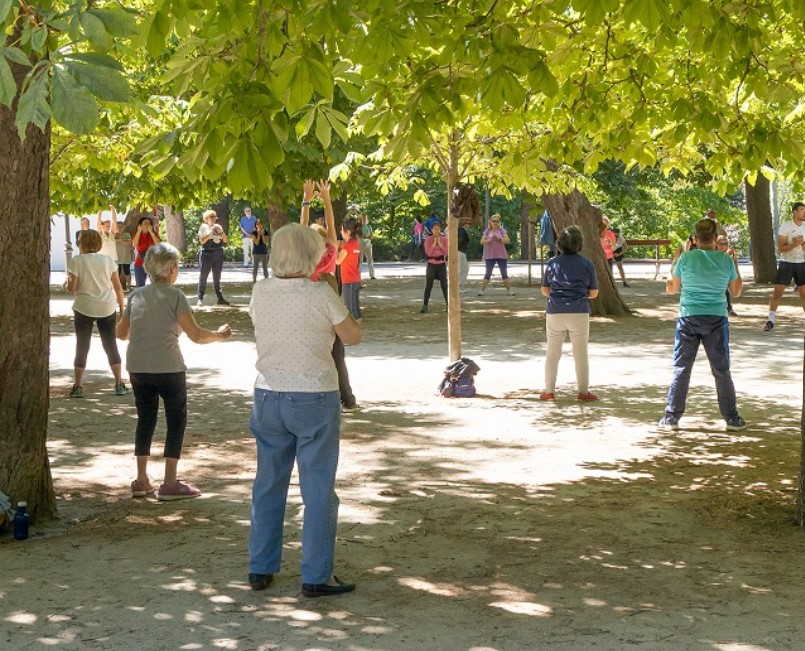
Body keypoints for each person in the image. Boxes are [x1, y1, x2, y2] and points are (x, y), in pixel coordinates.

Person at [247, 222, 362, 597]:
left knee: (268, 484)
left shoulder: (260, 291)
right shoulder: (321, 294)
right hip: (314, 394)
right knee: (318, 489)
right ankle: (315, 574)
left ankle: (260, 567)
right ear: (312, 256)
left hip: (268, 393)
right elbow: (353, 337)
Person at [116, 243, 232, 501]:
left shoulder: (136, 296)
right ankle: (169, 481)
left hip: (138, 365)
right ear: (170, 270)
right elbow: (196, 335)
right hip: (168, 365)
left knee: (145, 419)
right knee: (176, 420)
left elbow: (121, 333)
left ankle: (141, 478)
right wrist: (220, 335)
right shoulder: (175, 295)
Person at [658, 217, 745, 431]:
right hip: (716, 317)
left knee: (682, 368)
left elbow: (671, 289)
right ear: (716, 238)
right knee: (721, 369)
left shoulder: (686, 259)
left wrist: (676, 260)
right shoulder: (725, 261)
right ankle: (731, 417)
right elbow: (736, 291)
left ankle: (672, 416)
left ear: (695, 238)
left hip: (689, 317)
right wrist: (734, 264)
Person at [301, 179, 358, 410]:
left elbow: (304, 225)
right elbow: (326, 226)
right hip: (330, 308)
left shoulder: (308, 255)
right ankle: (347, 398)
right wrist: (325, 199)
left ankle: (324, 397)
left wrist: (307, 199)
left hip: (311, 309)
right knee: (337, 356)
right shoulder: (329, 251)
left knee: (314, 355)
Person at [64, 229, 127, 398]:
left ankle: (77, 385)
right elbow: (118, 287)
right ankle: (119, 383)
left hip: (84, 307)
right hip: (106, 307)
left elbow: (72, 287)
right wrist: (122, 308)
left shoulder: (77, 261)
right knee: (110, 345)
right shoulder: (107, 261)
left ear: (81, 244)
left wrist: (66, 283)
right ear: (99, 244)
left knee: (82, 346)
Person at [540, 225, 599, 402]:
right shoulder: (587, 264)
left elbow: (544, 289)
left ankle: (549, 391)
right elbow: (594, 293)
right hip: (579, 311)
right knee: (580, 353)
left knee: (552, 353)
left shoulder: (552, 263)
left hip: (555, 311)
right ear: (580, 244)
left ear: (560, 244)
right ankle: (583, 391)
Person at [764, 201, 805, 331]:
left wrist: (802, 244)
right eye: (802, 210)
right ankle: (771, 319)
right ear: (795, 212)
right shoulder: (785, 227)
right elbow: (781, 248)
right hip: (786, 263)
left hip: (801, 263)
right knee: (778, 293)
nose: (804, 212)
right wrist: (795, 243)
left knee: (804, 294)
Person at [197, 209, 230, 306]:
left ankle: (220, 298)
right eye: (211, 217)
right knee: (203, 276)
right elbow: (202, 241)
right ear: (206, 219)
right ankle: (200, 298)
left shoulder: (218, 226)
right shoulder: (203, 227)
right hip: (206, 253)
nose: (213, 219)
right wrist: (210, 233)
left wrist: (221, 232)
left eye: (214, 217)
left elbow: (225, 240)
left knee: (217, 277)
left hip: (218, 252)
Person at [478, 213, 514, 295]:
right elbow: (482, 241)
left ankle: (509, 290)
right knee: (488, 272)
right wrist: (489, 240)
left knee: (504, 272)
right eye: (493, 221)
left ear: (499, 222)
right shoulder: (487, 231)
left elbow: (507, 241)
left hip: (501, 255)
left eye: (497, 221)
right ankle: (482, 290)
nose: (495, 223)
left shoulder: (502, 231)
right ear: (490, 222)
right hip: (490, 255)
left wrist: (500, 238)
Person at [420, 219, 448, 313]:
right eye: (435, 229)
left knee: (444, 285)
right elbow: (428, 252)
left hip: (441, 264)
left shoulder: (444, 239)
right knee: (429, 285)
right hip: (431, 263)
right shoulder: (428, 240)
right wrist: (434, 244)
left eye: (438, 229)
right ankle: (425, 305)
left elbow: (446, 251)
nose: (436, 231)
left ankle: (448, 305)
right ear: (432, 230)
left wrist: (439, 244)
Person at [337, 217, 362, 322]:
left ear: (347, 231)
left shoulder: (348, 246)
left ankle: (354, 334)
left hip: (348, 280)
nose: (341, 232)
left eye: (342, 230)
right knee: (356, 308)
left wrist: (334, 250)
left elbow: (338, 261)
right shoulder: (356, 243)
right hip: (355, 279)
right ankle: (357, 332)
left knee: (350, 310)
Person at [132, 216, 161, 287]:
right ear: (140, 225)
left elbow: (158, 244)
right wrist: (138, 231)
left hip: (153, 262)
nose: (147, 225)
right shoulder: (137, 235)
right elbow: (135, 245)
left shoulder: (154, 234)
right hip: (140, 262)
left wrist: (151, 232)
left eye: (149, 223)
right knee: (140, 284)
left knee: (156, 283)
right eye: (145, 223)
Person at [716, 230, 738, 317]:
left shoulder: (727, 256)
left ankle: (729, 308)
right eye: (721, 244)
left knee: (726, 289)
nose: (723, 246)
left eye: (725, 244)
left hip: (723, 279)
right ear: (716, 245)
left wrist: (734, 260)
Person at [115, 220, 133, 291]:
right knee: (117, 274)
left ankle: (129, 287)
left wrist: (119, 241)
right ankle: (119, 288)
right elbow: (113, 243)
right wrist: (122, 241)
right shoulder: (114, 235)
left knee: (127, 272)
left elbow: (128, 243)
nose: (119, 228)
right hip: (117, 258)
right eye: (118, 227)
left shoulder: (127, 234)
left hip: (126, 257)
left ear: (124, 227)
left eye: (121, 227)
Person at [358, 214, 376, 280]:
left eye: (365, 219)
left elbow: (372, 236)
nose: (364, 220)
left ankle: (372, 275)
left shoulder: (369, 227)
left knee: (370, 260)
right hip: (360, 245)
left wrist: (369, 236)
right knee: (360, 261)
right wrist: (368, 236)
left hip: (368, 244)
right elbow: (362, 236)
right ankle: (358, 276)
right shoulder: (359, 227)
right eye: (363, 219)